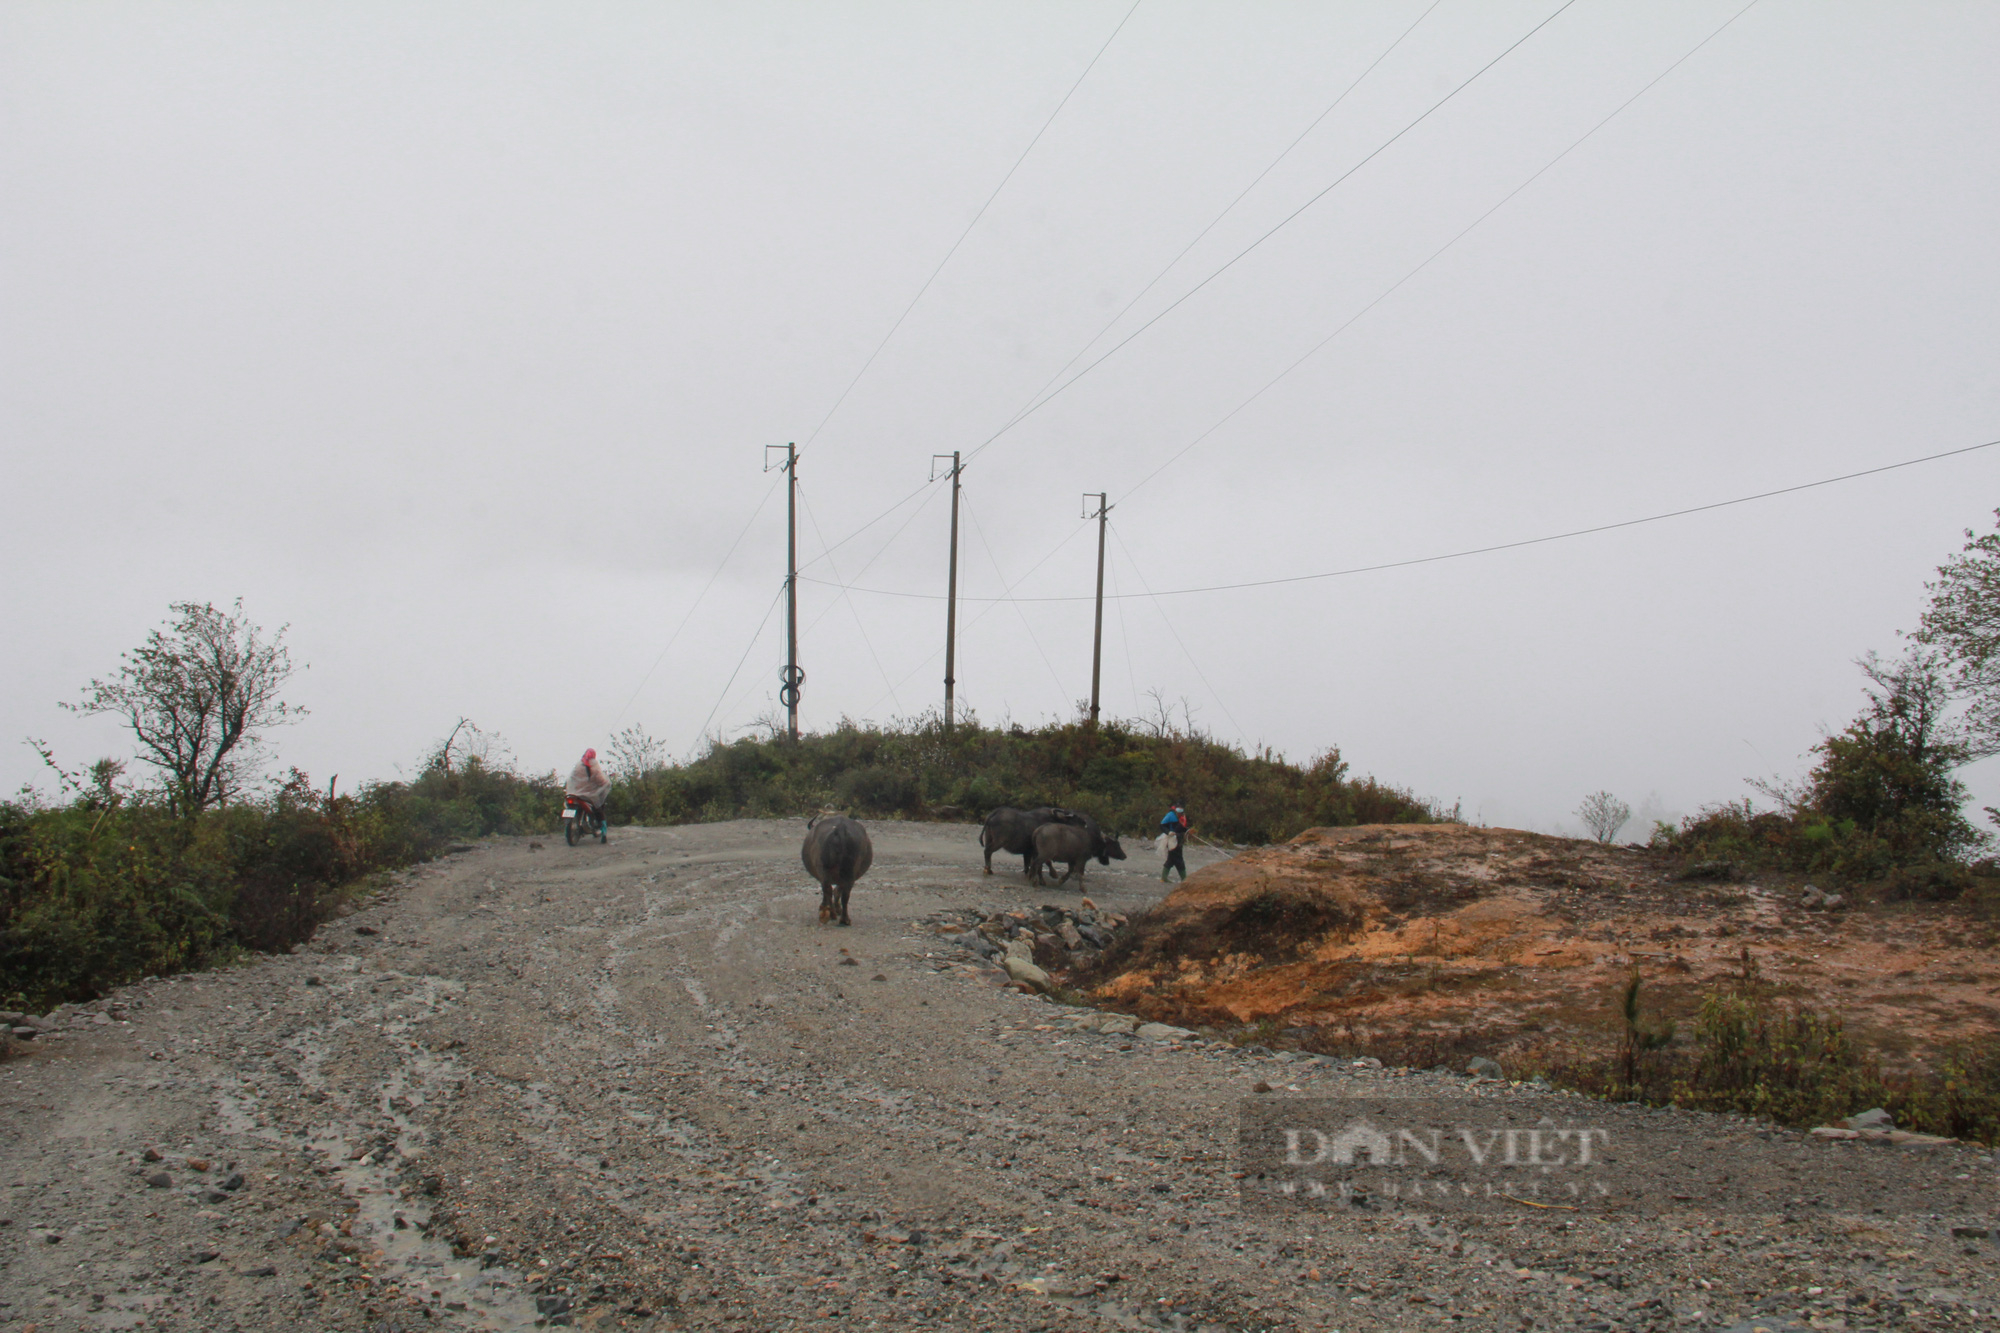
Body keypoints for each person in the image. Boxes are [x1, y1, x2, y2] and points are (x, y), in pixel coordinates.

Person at [566, 748, 612, 830]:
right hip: (589, 795)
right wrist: (605, 783)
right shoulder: (594, 764)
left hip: (574, 793)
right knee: (598, 807)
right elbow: (600, 779)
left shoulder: (578, 764)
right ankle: (601, 825)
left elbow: (572, 778)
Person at [1159, 804, 1189, 883]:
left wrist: (1188, 831)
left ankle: (1164, 877)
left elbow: (1183, 828)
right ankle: (1184, 879)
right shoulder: (1170, 815)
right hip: (1172, 839)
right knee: (1178, 858)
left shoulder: (1182, 816)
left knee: (1172, 859)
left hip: (1179, 839)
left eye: (1181, 810)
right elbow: (1162, 825)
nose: (1180, 812)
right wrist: (1168, 832)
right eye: (1178, 810)